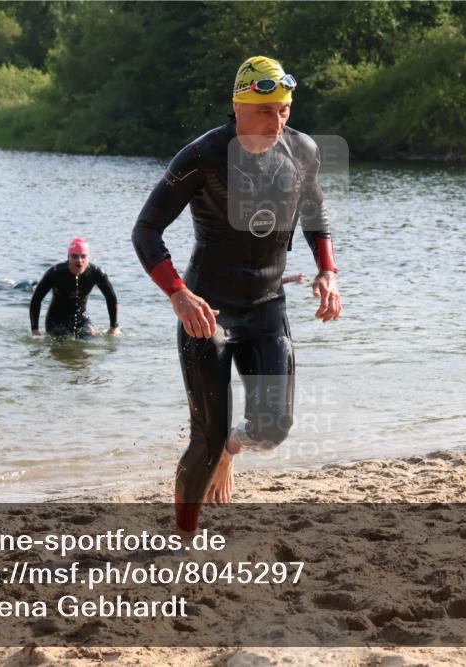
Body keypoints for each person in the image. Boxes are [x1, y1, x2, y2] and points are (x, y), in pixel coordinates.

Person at [132, 56, 342, 534]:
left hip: (267, 307)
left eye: (284, 110)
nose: (277, 122)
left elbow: (315, 212)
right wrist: (178, 294)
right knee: (203, 442)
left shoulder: (302, 151)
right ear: (239, 105)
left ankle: (234, 446)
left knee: (273, 429)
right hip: (208, 312)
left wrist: (328, 271)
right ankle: (186, 534)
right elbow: (146, 230)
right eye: (266, 111)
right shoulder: (202, 157)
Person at [30, 237, 120, 339]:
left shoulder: (97, 273)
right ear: (68, 257)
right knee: (60, 345)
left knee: (91, 340)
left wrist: (113, 326)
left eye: (83, 256)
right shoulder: (55, 273)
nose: (79, 260)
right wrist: (35, 330)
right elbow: (36, 299)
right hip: (56, 319)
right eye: (75, 256)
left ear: (88, 257)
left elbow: (111, 297)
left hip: (82, 318)